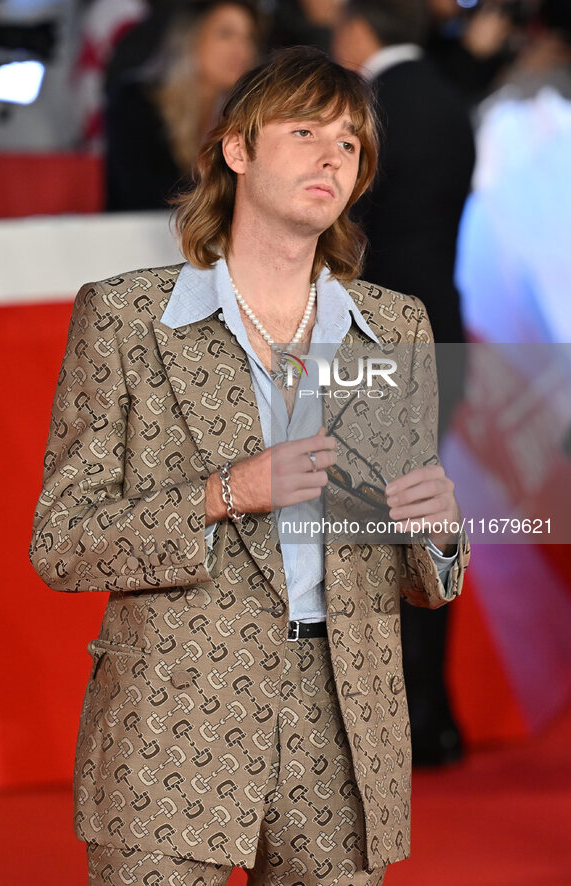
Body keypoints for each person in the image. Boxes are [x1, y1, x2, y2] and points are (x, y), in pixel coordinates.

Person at [30, 46, 470, 886]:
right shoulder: (128, 318)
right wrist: (227, 493)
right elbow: (62, 541)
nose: (331, 157)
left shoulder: (394, 324)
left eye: (349, 144)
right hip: (173, 714)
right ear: (235, 149)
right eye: (305, 131)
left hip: (346, 724)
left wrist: (440, 532)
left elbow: (426, 578)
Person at [333, 0, 475, 768]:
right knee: (422, 519)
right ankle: (433, 715)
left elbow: (348, 221)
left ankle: (402, 721)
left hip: (380, 342)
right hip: (443, 327)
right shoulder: (450, 98)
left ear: (358, 34)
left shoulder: (371, 107)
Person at [105, 0, 258, 211]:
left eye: (248, 38)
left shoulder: (245, 118)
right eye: (226, 34)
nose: (242, 49)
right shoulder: (137, 101)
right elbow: (143, 196)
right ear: (190, 37)